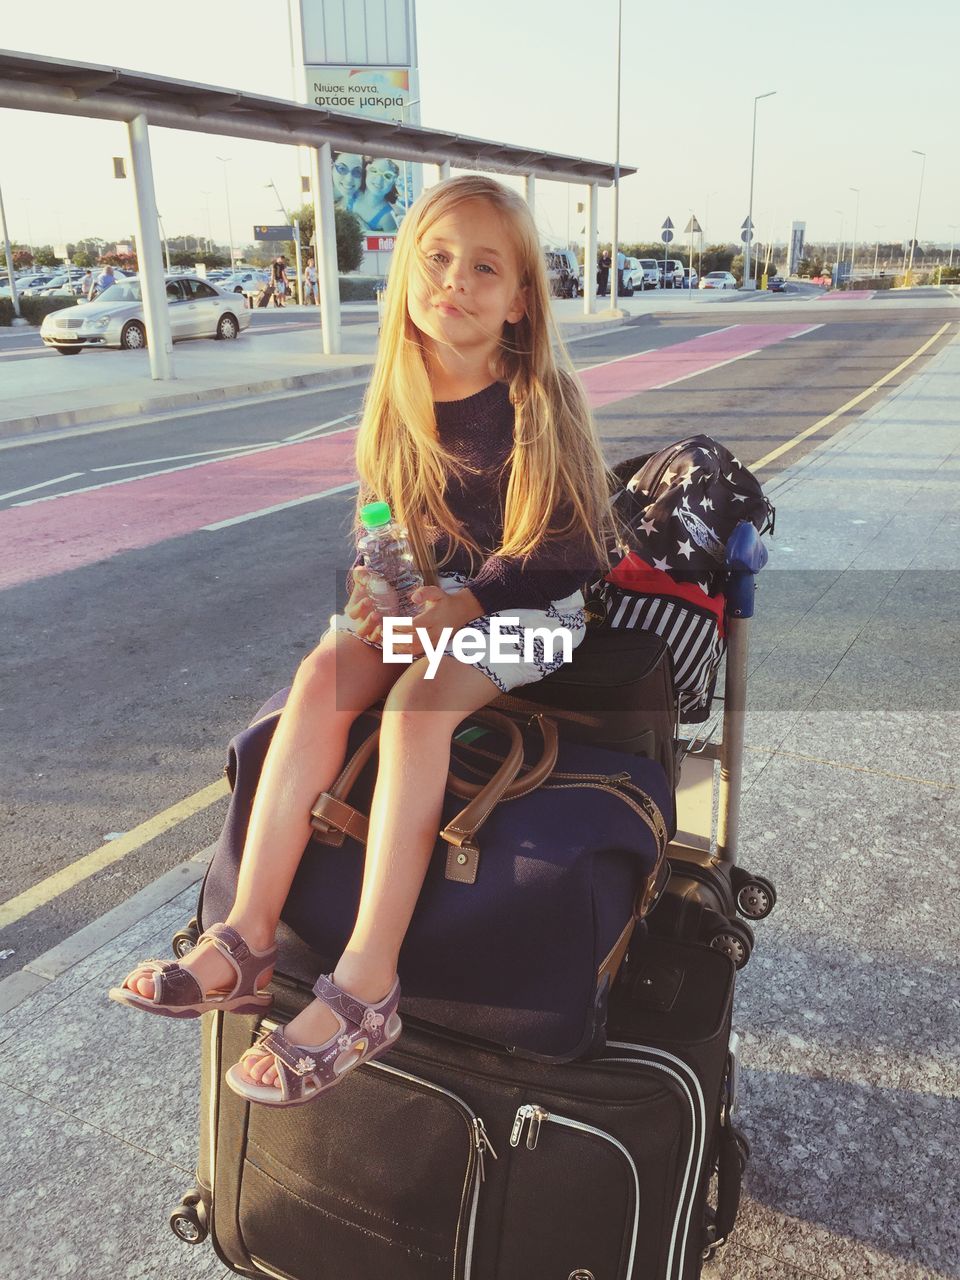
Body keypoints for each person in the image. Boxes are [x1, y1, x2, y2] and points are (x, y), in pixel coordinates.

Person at [109, 174, 615, 1109]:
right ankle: (247, 940)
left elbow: (574, 552)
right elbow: (382, 523)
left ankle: (368, 985)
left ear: (519, 301)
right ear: (406, 273)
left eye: (484, 267)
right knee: (324, 671)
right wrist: (378, 589)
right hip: (436, 599)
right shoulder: (399, 393)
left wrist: (465, 609)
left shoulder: (536, 400)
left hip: (535, 614)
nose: (454, 280)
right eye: (436, 258)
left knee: (419, 711)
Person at [352, 157, 401, 233]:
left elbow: (393, 244)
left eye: (387, 176)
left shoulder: (387, 218)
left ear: (393, 184)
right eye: (374, 171)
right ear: (367, 170)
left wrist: (367, 232)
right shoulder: (353, 192)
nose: (379, 180)